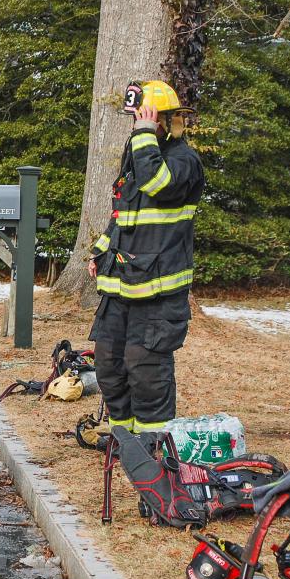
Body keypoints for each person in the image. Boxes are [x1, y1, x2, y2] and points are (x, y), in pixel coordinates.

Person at [88, 80, 205, 436]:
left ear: (166, 120)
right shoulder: (139, 158)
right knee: (109, 364)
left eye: (145, 118)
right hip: (121, 287)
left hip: (158, 294)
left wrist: (142, 135)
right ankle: (123, 440)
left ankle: (151, 447)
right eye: (137, 119)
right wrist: (101, 251)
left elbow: (158, 184)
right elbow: (122, 216)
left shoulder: (184, 161)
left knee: (145, 370)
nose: (138, 125)